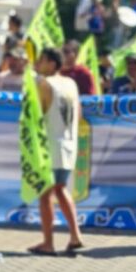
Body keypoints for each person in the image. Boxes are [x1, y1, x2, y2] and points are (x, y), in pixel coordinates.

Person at [28, 48, 84, 256]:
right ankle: (75, 235)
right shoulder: (71, 83)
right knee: (60, 189)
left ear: (51, 63)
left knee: (45, 194)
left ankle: (48, 242)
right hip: (68, 144)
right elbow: (78, 113)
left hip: (50, 144)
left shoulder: (45, 84)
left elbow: (36, 115)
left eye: (41, 60)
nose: (38, 64)